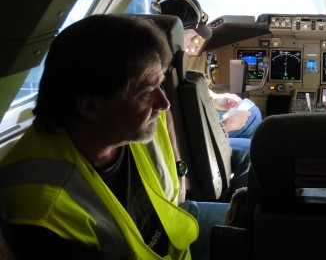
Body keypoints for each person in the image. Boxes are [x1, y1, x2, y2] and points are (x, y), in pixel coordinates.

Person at [0, 15, 229, 259]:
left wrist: (180, 175)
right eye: (148, 92)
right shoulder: (45, 208)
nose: (163, 103)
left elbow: (173, 174)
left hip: (175, 229)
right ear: (91, 108)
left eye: (159, 85)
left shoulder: (133, 122)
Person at [152, 0, 263, 152]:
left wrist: (215, 100)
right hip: (190, 150)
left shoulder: (163, 61)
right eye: (190, 37)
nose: (190, 45)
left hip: (191, 129)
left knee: (252, 113)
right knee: (251, 151)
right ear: (174, 34)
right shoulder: (156, 74)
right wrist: (226, 126)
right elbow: (176, 140)